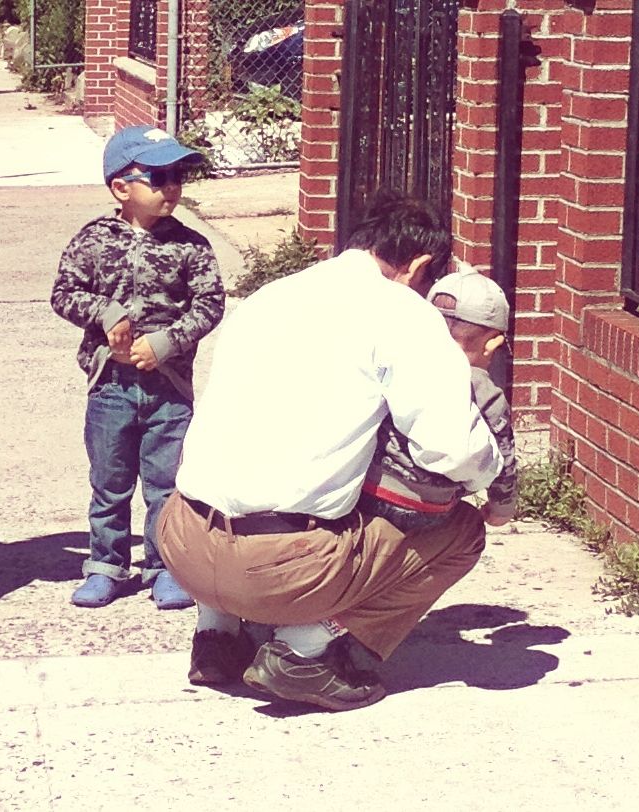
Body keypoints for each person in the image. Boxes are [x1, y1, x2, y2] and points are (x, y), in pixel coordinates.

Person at [157, 192, 504, 711]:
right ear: (422, 266)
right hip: (276, 569)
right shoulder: (403, 313)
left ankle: (217, 638)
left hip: (182, 542)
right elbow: (450, 450)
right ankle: (301, 653)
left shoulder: (270, 296)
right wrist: (494, 481)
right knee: (460, 534)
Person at [51, 125, 226, 610]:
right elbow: (63, 294)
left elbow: (210, 304)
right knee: (109, 482)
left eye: (178, 176)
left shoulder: (190, 246)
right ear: (121, 188)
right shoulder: (92, 241)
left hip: (167, 389)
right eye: (159, 176)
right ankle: (106, 565)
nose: (172, 186)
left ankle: (164, 567)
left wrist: (168, 343)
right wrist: (105, 312)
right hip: (110, 386)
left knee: (166, 485)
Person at [358, 263, 517, 533]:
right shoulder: (484, 390)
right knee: (466, 525)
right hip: (426, 509)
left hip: (371, 492)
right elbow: (503, 459)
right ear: (493, 344)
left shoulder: (402, 363)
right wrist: (501, 509)